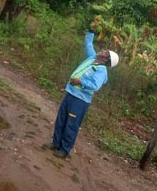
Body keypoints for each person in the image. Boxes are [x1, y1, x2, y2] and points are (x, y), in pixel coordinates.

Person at [46, 19, 119, 159]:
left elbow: (95, 86)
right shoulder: (92, 58)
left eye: (105, 51)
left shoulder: (102, 71)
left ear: (106, 59)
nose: (102, 50)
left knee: (71, 125)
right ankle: (55, 143)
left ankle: (64, 150)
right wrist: (92, 30)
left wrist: (80, 81)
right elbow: (88, 43)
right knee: (61, 119)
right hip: (70, 94)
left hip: (80, 101)